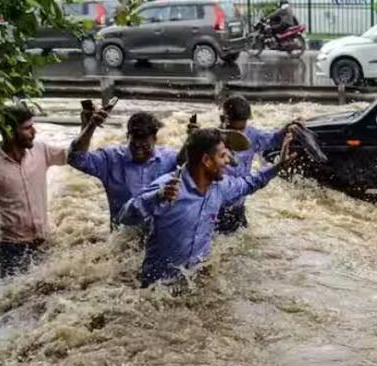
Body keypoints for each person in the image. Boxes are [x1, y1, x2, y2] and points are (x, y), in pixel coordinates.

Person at [118, 128, 296, 287]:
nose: (228, 161)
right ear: (206, 160)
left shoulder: (220, 187)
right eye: (222, 156)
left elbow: (248, 183)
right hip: (156, 289)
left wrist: (277, 167)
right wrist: (157, 197)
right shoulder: (169, 186)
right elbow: (125, 216)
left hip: (194, 284)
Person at [68, 110, 182, 228]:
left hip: (158, 237)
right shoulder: (111, 159)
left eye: (145, 146)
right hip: (122, 238)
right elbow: (76, 159)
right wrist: (90, 126)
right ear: (128, 137)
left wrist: (191, 139)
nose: (139, 151)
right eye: (134, 145)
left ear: (155, 139)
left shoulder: (170, 159)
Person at [0, 105, 69, 278]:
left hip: (43, 242)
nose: (34, 132)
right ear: (9, 131)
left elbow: (73, 154)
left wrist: (89, 126)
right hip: (12, 248)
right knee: (13, 301)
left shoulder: (40, 150)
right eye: (27, 128)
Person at [212, 95, 298, 233]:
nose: (239, 136)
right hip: (216, 207)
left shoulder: (251, 135)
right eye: (235, 131)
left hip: (239, 203)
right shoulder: (212, 140)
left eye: (242, 129)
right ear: (224, 120)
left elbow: (272, 140)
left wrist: (286, 130)